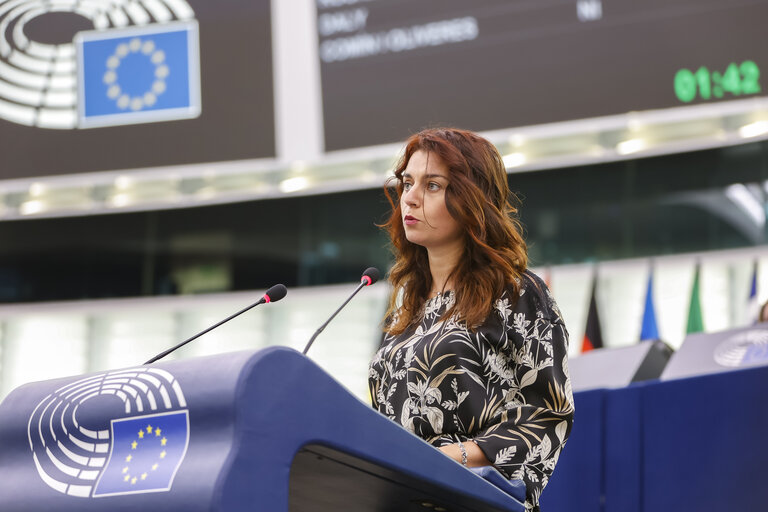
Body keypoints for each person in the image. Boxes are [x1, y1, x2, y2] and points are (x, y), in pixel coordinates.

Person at [368, 128, 574, 511]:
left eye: (432, 186)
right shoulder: (405, 309)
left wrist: (454, 457)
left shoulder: (516, 292)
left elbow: (546, 415)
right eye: (407, 183)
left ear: (470, 199)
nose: (409, 198)